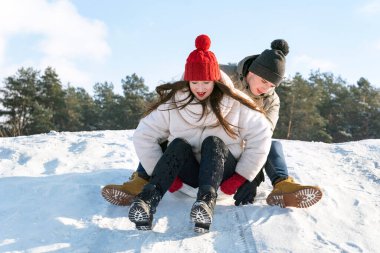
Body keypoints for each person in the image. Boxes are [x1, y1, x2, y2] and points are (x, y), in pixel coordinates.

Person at [102, 39, 323, 209]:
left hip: (230, 152)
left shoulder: (271, 100)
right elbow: (191, 83)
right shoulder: (220, 74)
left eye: (273, 85)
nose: (267, 88)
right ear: (252, 72)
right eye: (264, 81)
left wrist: (249, 175)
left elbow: (261, 136)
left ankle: (283, 185)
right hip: (193, 142)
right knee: (165, 136)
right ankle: (141, 180)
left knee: (273, 145)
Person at [127, 34, 272, 232]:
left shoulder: (236, 102)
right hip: (189, 175)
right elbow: (144, 135)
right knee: (177, 144)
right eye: (194, 82)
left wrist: (241, 178)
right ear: (187, 81)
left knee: (214, 141)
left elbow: (261, 134)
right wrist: (171, 181)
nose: (200, 88)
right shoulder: (174, 102)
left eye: (206, 82)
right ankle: (147, 202)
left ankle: (205, 203)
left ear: (215, 80)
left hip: (222, 175)